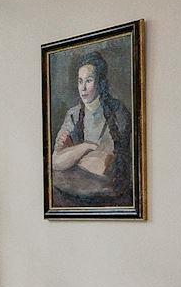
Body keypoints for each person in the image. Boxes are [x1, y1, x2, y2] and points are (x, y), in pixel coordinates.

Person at [51, 50, 133, 207]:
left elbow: (103, 165)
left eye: (88, 81)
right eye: (80, 81)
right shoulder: (73, 114)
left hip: (109, 199)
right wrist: (87, 146)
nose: (83, 88)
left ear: (100, 82)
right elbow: (55, 162)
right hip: (71, 198)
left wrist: (71, 156)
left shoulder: (117, 112)